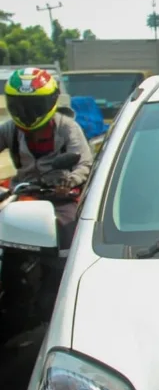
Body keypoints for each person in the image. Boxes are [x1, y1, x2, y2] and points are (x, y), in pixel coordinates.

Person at [0, 68, 93, 318]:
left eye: (34, 105)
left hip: (59, 194)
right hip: (24, 192)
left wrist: (70, 180)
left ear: (50, 102)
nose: (27, 112)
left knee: (68, 229)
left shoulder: (67, 128)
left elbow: (84, 162)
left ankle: (65, 287)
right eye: (20, 105)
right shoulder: (10, 129)